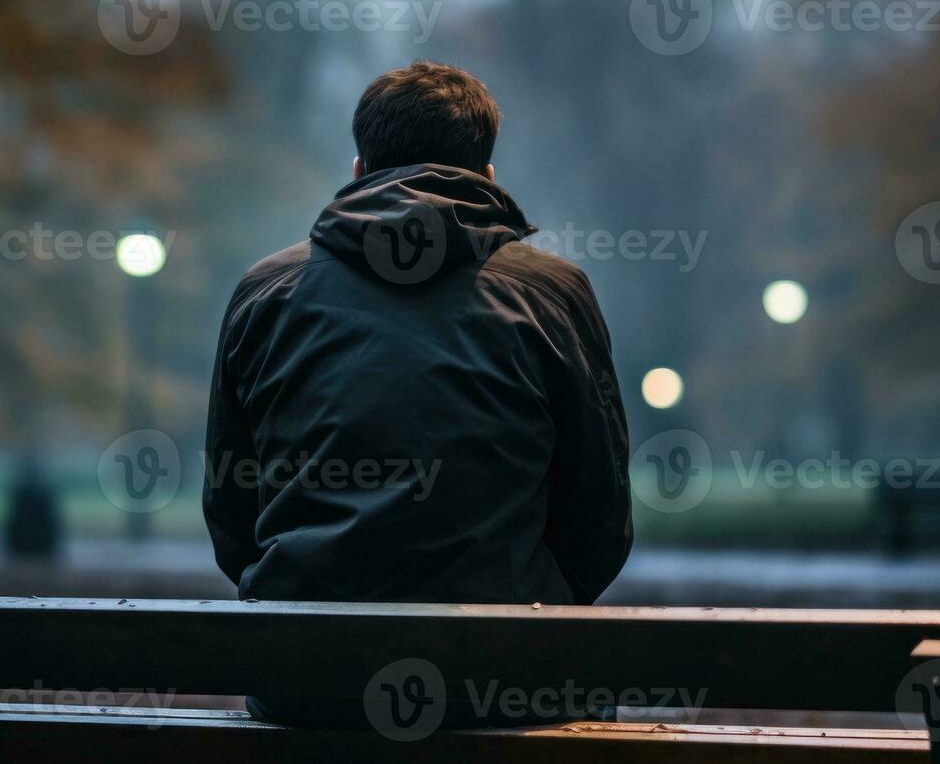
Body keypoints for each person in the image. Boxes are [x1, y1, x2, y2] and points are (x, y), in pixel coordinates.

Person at [203, 59, 633, 728]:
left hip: (310, 680)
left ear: (356, 170)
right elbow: (598, 517)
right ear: (487, 178)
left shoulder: (267, 292)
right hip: (501, 679)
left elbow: (233, 514)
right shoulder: (549, 293)